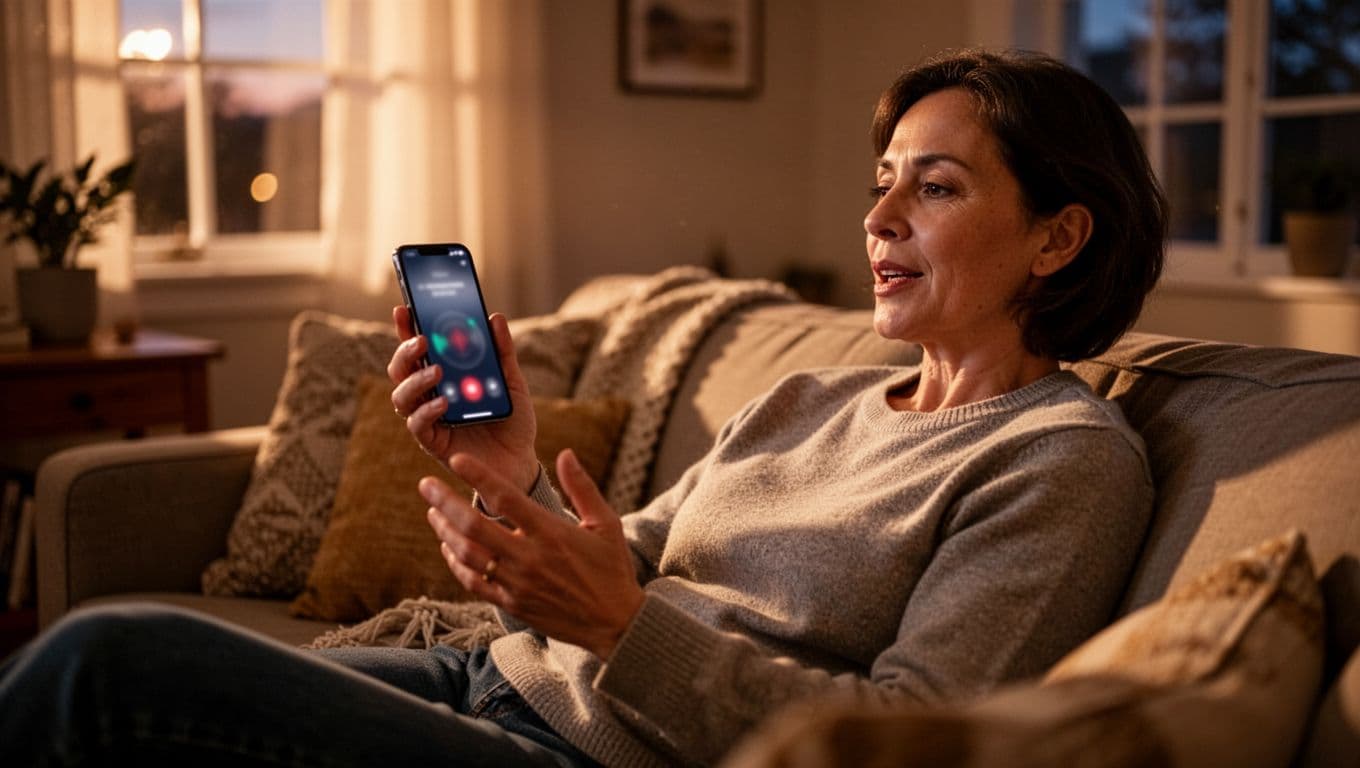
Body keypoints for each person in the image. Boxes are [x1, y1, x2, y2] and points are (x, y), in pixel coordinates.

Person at [0, 48, 1165, 767]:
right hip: (505, 683)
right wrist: (508, 473)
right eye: (881, 182)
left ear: (1059, 237)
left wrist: (617, 627)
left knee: (106, 667)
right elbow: (635, 557)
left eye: (937, 186)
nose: (879, 216)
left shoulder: (1061, 462)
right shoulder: (818, 397)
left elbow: (904, 743)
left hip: (594, 754)